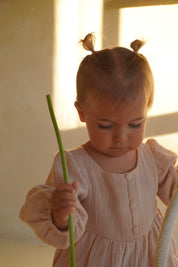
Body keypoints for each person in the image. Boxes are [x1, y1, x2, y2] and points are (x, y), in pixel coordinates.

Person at [19, 33, 178, 266]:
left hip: (148, 254)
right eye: (105, 125)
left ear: (147, 109)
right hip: (96, 258)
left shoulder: (153, 157)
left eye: (136, 124)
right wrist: (61, 214)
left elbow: (175, 192)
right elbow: (64, 228)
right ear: (82, 112)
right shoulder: (75, 165)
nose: (121, 137)